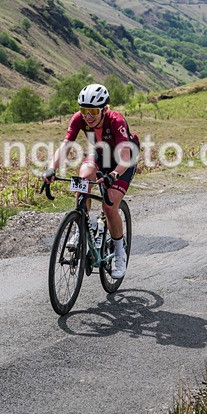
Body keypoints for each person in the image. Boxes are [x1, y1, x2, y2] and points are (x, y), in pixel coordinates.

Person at [43, 83, 138, 278]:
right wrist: (52, 168)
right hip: (100, 154)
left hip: (123, 160)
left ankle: (119, 253)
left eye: (93, 111)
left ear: (105, 109)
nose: (88, 115)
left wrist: (113, 175)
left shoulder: (116, 120)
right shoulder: (79, 118)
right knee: (83, 179)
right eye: (84, 110)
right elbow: (66, 145)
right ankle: (81, 226)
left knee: (109, 206)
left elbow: (125, 158)